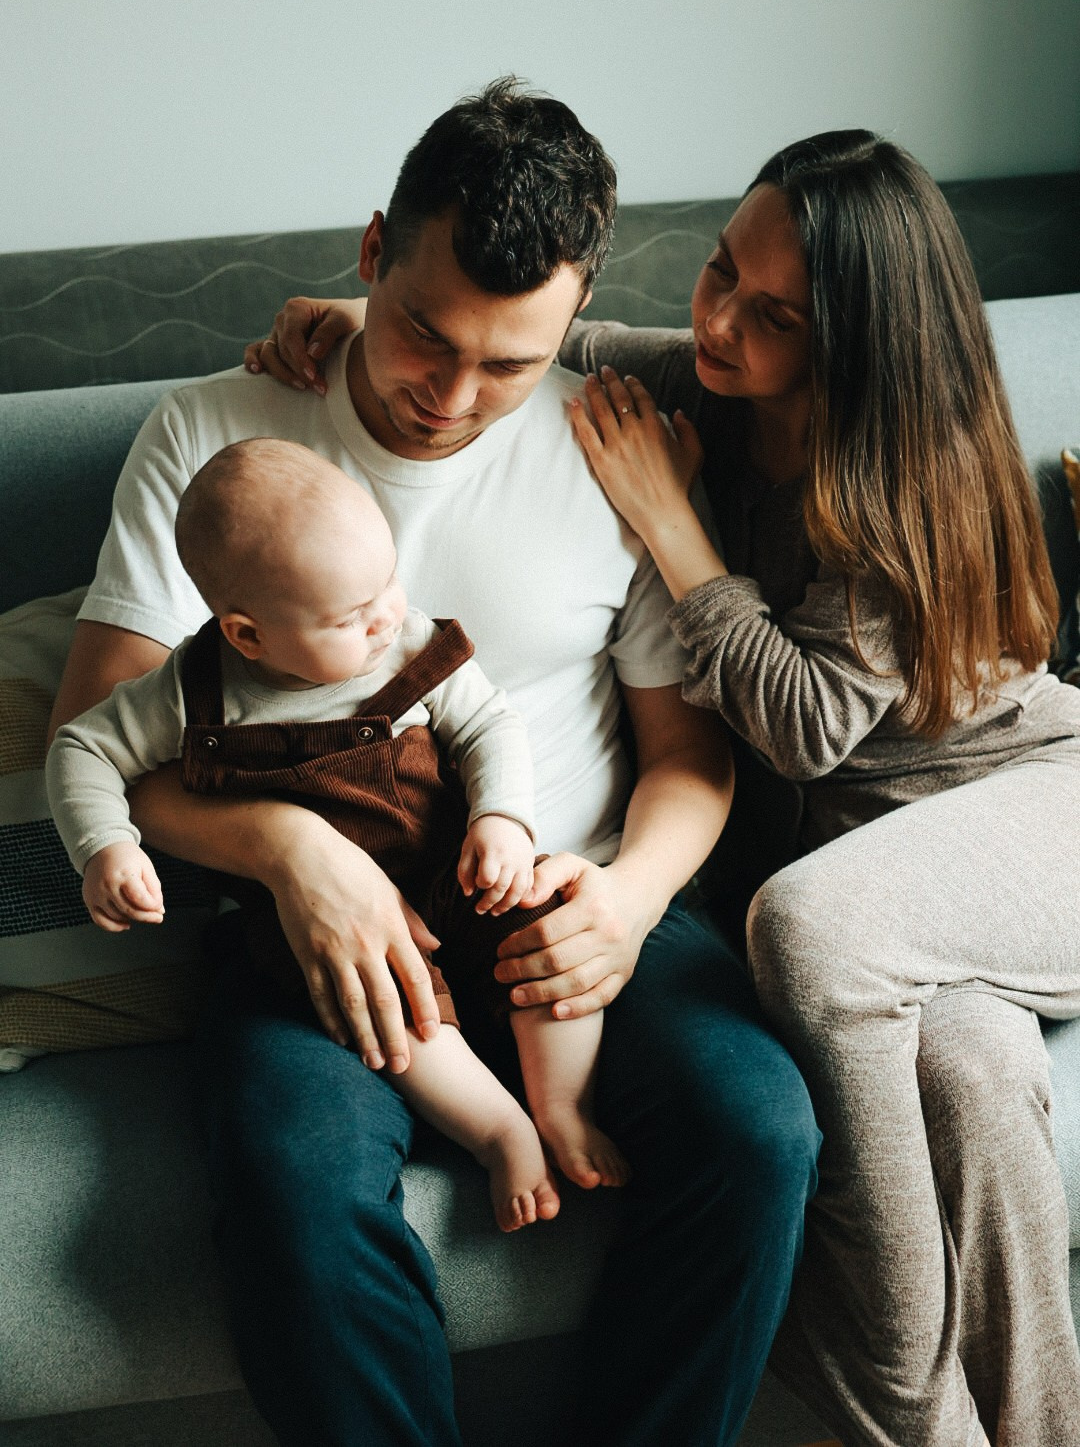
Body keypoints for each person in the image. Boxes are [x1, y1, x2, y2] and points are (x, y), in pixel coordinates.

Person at [270, 128, 1080, 1447]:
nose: (718, 321)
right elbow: (549, 342)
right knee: (976, 1073)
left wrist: (674, 527)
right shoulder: (706, 379)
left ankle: (907, 1412)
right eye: (719, 272)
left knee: (806, 934)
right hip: (893, 878)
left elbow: (810, 728)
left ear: (856, 343)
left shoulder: (905, 474)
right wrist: (339, 321)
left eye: (772, 316)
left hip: (1032, 815)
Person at [49, 79, 820, 1447]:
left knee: (763, 1136)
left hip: (568, 897)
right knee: (294, 1186)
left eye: (510, 361)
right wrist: (297, 858)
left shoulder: (609, 446)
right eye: (422, 333)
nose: (451, 396)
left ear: (576, 319)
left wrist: (627, 906)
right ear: (367, 257)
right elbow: (104, 744)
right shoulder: (214, 435)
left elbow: (690, 760)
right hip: (308, 939)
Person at [47, 437, 633, 1229]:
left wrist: (502, 818)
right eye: (353, 617)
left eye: (388, 581)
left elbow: (489, 724)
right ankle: (501, 1132)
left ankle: (563, 1107)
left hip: (454, 867)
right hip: (329, 928)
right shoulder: (193, 693)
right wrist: (105, 845)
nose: (387, 617)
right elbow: (82, 746)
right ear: (248, 635)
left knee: (541, 939)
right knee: (392, 1013)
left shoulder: (409, 641)